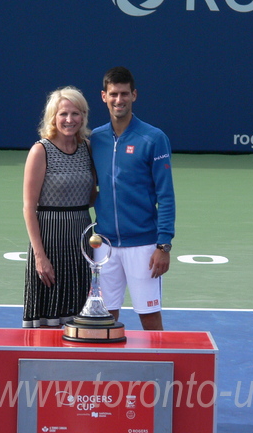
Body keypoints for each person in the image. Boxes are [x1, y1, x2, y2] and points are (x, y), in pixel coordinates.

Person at [90, 66, 175, 331]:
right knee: (105, 318)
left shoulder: (154, 138)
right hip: (104, 246)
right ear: (104, 96)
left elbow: (166, 195)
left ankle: (158, 372)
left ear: (134, 95)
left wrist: (163, 246)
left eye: (124, 94)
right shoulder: (95, 138)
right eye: (113, 94)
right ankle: (105, 373)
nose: (119, 100)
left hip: (144, 247)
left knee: (149, 318)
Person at [22, 86, 97, 328]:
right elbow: (28, 207)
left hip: (80, 244)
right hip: (50, 244)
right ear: (53, 117)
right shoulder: (40, 150)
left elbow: (92, 195)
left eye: (76, 114)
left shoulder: (87, 148)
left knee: (78, 321)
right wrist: (39, 256)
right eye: (63, 114)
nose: (69, 119)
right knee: (47, 322)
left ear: (83, 116)